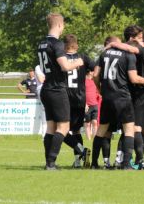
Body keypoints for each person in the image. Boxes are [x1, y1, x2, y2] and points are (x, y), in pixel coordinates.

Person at [91, 36, 144, 170]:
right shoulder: (129, 55)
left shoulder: (104, 53)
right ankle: (127, 164)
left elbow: (95, 75)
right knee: (129, 129)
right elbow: (134, 79)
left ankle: (94, 163)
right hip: (122, 97)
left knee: (101, 130)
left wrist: (100, 89)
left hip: (107, 98)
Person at [37, 13, 83, 170]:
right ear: (59, 25)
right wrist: (77, 61)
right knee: (63, 128)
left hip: (46, 88)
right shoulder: (57, 44)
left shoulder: (41, 43)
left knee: (51, 128)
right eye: (63, 25)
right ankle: (51, 163)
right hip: (57, 89)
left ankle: (48, 163)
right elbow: (65, 66)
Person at [63, 34, 95, 168]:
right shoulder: (83, 57)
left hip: (65, 98)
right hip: (80, 99)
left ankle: (81, 151)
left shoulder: (61, 58)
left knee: (61, 131)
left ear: (64, 45)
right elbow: (95, 68)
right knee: (76, 131)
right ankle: (77, 162)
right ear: (76, 45)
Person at [84, 69, 100, 140]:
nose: (94, 73)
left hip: (95, 105)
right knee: (87, 124)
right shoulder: (83, 81)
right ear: (90, 72)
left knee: (94, 122)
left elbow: (97, 91)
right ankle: (88, 139)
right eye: (93, 71)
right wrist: (85, 104)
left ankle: (95, 139)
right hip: (87, 106)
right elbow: (81, 94)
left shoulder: (95, 81)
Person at [35, 64, 46, 138]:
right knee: (44, 112)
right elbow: (41, 80)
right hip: (43, 89)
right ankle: (44, 135)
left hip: (53, 89)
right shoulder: (38, 67)